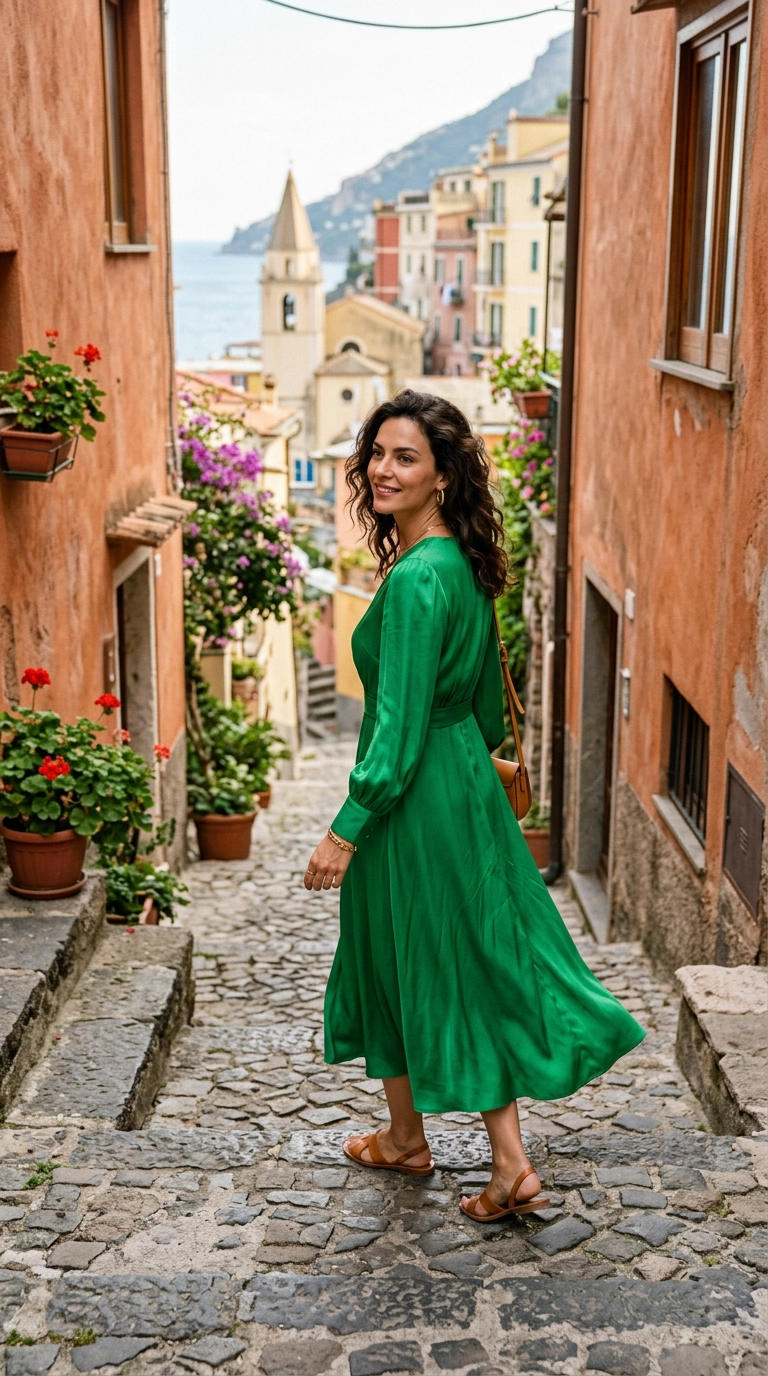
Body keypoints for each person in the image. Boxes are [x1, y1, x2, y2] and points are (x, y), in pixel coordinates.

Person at [304, 390, 644, 1222]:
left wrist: (349, 827)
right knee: (457, 951)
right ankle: (435, 1143)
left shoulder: (420, 579)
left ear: (444, 477)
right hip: (459, 780)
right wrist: (486, 758)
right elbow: (486, 692)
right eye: (377, 453)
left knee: (403, 953)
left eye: (405, 457)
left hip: (415, 796)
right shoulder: (453, 559)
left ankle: (442, 1144)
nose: (384, 469)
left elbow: (396, 719)